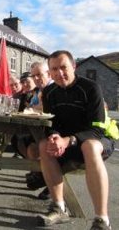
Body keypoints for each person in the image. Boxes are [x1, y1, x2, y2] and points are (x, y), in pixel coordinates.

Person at [37, 50, 114, 229]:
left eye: (63, 67)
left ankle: (101, 220)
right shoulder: (49, 92)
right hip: (67, 142)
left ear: (74, 66)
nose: (59, 73)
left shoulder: (91, 88)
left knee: (89, 146)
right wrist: (54, 136)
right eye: (54, 69)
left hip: (98, 140)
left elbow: (97, 129)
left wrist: (69, 140)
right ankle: (59, 207)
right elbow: (51, 123)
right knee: (44, 145)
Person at [24, 61, 53, 200]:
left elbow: (45, 107)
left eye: (39, 75)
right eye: (33, 75)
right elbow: (33, 106)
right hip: (39, 128)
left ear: (48, 74)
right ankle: (38, 175)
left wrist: (32, 108)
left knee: (32, 144)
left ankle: (44, 179)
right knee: (26, 143)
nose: (36, 78)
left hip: (55, 132)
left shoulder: (52, 88)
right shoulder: (39, 90)